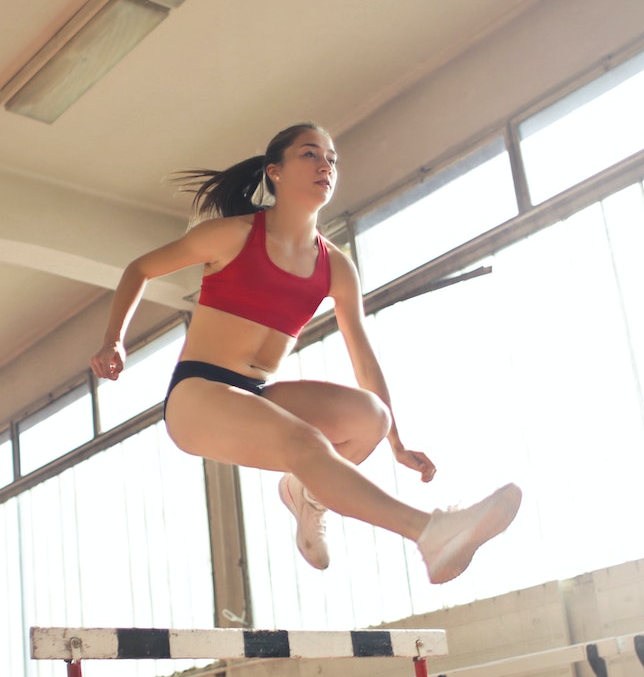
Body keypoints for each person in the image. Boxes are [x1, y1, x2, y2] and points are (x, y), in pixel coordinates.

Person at [90, 123, 520, 584]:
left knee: (371, 417)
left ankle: (306, 493)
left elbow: (363, 356)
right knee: (306, 443)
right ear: (275, 172)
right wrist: (114, 338)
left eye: (332, 159)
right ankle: (430, 533)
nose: (325, 166)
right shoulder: (232, 235)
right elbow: (141, 268)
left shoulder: (335, 266)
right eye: (311, 155)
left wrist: (395, 442)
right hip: (197, 395)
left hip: (256, 395)